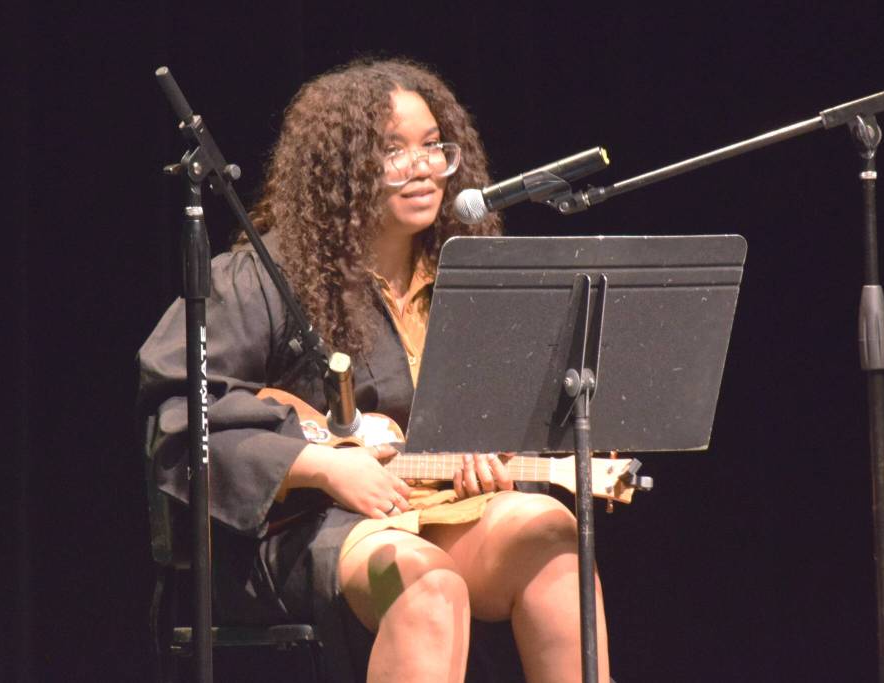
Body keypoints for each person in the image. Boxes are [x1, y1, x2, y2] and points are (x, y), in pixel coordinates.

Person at [137, 58, 610, 683]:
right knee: (428, 588)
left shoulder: (465, 277)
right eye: (393, 151)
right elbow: (182, 417)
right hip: (309, 532)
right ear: (341, 169)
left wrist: (481, 456)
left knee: (552, 533)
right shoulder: (261, 277)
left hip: (432, 510)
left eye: (433, 146)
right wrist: (325, 466)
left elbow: (497, 420)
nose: (422, 167)